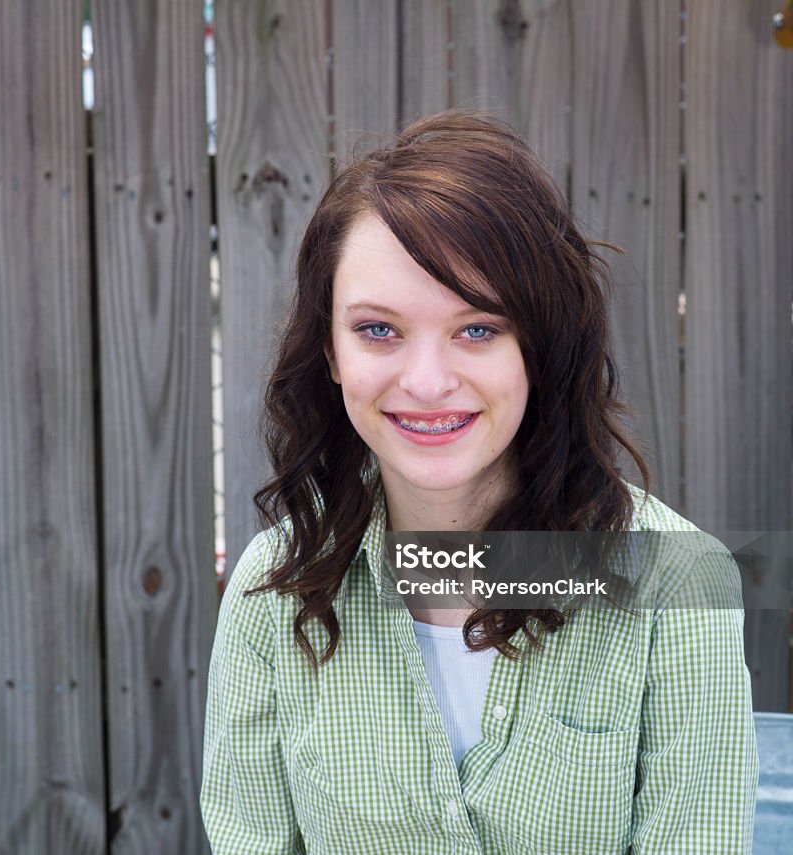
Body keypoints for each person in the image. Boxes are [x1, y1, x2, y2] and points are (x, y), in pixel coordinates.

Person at [200, 111, 758, 854]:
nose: (427, 382)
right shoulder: (271, 594)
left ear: (539, 342)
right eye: (377, 329)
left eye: (477, 328)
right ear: (330, 352)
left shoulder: (675, 584)